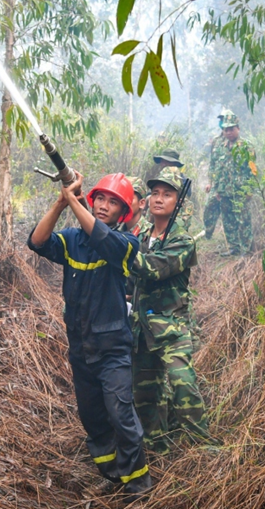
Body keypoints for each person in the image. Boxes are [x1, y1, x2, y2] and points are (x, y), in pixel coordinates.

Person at [27, 172, 152, 498]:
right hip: (81, 348)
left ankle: (137, 484)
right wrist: (60, 201)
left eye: (114, 202)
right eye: (101, 198)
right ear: (92, 199)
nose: (104, 206)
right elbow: (37, 242)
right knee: (92, 416)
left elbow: (103, 238)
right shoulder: (72, 240)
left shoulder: (125, 243)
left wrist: (74, 201)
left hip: (113, 350)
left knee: (120, 414)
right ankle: (111, 473)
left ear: (123, 212)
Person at [130, 167, 211, 455]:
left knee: (182, 384)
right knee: (146, 393)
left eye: (167, 194)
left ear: (178, 202)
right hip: (142, 330)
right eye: (154, 193)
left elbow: (151, 269)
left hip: (171, 328)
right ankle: (157, 447)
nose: (158, 199)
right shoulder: (141, 238)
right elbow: (130, 281)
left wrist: (117, 248)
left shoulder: (182, 241)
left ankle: (202, 446)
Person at [203, 109, 258, 256]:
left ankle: (247, 251)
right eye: (225, 129)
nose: (228, 132)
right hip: (223, 191)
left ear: (238, 128)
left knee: (243, 221)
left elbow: (252, 170)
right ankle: (234, 248)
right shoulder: (219, 146)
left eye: (231, 129)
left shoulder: (246, 146)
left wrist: (249, 190)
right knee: (228, 220)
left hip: (240, 191)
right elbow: (214, 166)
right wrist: (213, 185)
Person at [149, 148, 193, 230]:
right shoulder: (159, 178)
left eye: (165, 161)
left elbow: (185, 202)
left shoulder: (183, 181)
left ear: (173, 163)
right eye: (162, 161)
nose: (162, 164)